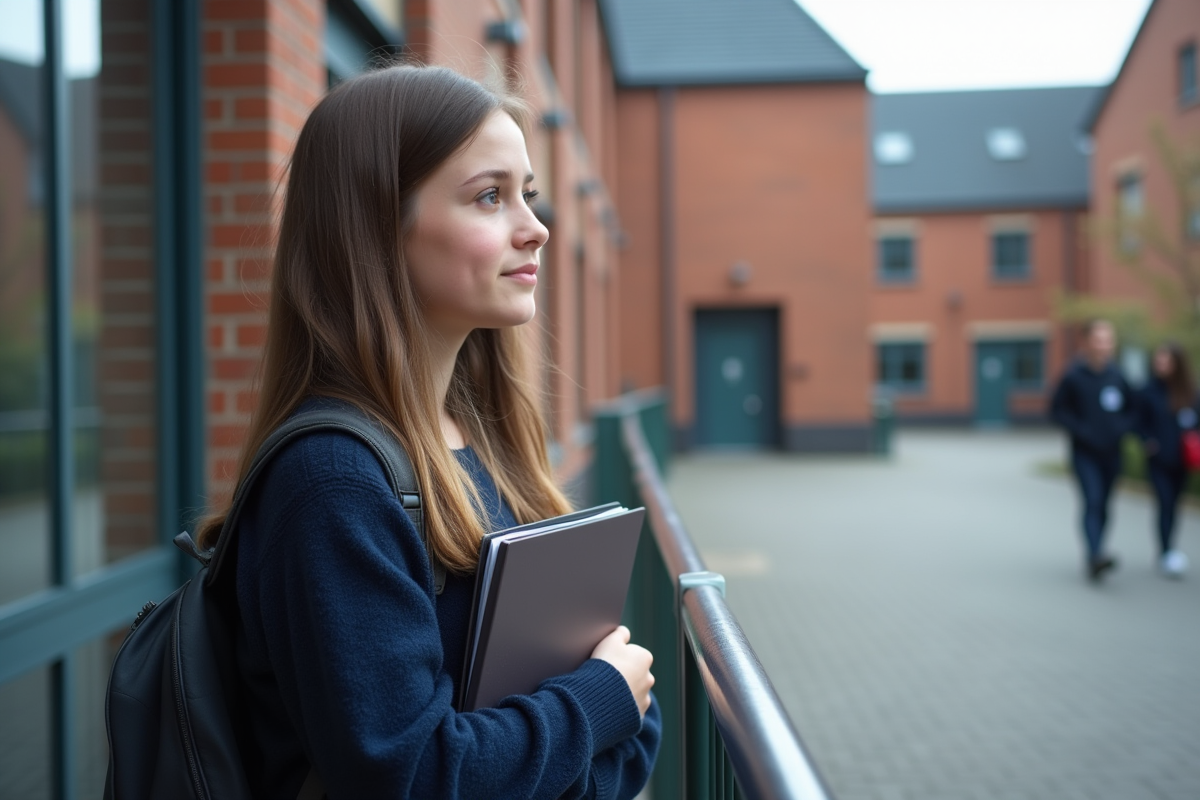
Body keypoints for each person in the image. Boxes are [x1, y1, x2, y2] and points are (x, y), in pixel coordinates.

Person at [194, 64, 660, 799]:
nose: (535, 228)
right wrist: (595, 705)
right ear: (378, 227)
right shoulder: (333, 481)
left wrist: (592, 721)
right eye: (489, 196)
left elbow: (638, 728)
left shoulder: (489, 444)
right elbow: (412, 773)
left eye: (527, 194)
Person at [1050, 319, 1137, 581]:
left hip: (1112, 452)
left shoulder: (1117, 375)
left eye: (1108, 340)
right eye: (1099, 340)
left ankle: (1098, 551)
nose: (1104, 345)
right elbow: (1057, 411)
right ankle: (1095, 554)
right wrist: (1082, 430)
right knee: (1093, 500)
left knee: (1106, 505)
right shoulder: (1073, 376)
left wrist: (1121, 428)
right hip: (1085, 453)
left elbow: (1133, 408)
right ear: (1086, 342)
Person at [1135, 342, 1194, 578]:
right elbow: (1137, 421)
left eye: (1166, 361)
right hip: (1158, 459)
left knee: (1175, 506)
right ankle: (1166, 550)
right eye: (1158, 361)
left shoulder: (1190, 392)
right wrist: (1147, 441)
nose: (1161, 365)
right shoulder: (1147, 391)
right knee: (1165, 503)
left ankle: (1169, 548)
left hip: (1182, 459)